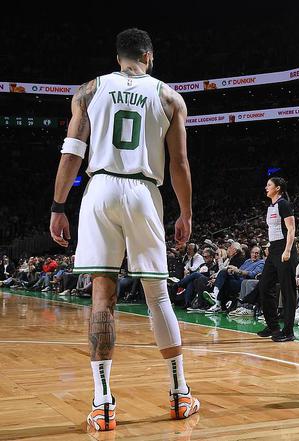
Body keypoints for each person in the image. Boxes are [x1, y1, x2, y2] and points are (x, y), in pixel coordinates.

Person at [48, 28, 199, 431]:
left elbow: (72, 151)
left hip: (100, 189)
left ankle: (102, 403)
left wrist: (58, 206)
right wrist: (185, 213)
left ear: (119, 58)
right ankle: (180, 394)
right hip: (143, 191)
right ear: (149, 56)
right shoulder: (169, 97)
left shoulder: (89, 90)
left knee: (103, 295)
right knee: (157, 295)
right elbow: (179, 163)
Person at [257, 177, 298, 342]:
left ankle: (288, 331)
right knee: (264, 286)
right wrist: (269, 245)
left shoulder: (284, 204)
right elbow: (275, 229)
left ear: (278, 188)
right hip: (273, 249)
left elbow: (291, 229)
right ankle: (273, 326)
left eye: (269, 185)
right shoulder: (271, 206)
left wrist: (287, 250)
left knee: (288, 291)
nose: (266, 187)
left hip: (284, 249)